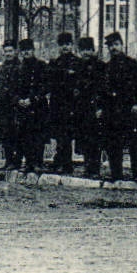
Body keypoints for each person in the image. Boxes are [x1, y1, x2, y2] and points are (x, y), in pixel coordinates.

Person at [100, 31, 137, 182]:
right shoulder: (106, 67)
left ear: (122, 45)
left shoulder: (132, 64)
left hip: (130, 111)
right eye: (111, 46)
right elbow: (102, 90)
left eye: (116, 45)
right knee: (114, 145)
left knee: (135, 145)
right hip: (113, 112)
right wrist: (101, 107)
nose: (114, 48)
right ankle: (117, 175)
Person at [12, 37, 51, 173]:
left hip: (38, 107)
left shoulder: (41, 66)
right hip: (23, 108)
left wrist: (32, 99)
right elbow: (14, 88)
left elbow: (46, 86)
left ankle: (38, 163)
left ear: (33, 50)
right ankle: (28, 163)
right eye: (23, 50)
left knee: (38, 136)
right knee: (25, 136)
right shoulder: (19, 69)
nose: (26, 52)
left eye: (28, 50)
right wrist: (18, 100)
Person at [69, 36, 105, 177]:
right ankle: (87, 166)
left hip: (95, 107)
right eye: (83, 50)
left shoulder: (100, 66)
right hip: (81, 109)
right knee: (83, 139)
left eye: (88, 50)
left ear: (93, 50)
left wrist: (100, 106)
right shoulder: (77, 66)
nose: (85, 53)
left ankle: (95, 168)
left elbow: (103, 88)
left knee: (95, 139)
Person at [47, 32, 79, 173]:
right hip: (57, 103)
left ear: (72, 45)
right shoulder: (54, 63)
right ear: (59, 46)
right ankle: (61, 160)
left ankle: (66, 162)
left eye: (68, 44)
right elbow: (50, 81)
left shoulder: (77, 62)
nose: (65, 47)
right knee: (59, 134)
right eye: (62, 45)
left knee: (68, 134)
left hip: (72, 104)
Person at [0, 40, 22, 172]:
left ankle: (17, 161)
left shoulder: (20, 67)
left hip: (14, 107)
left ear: (16, 52)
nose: (8, 54)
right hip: (2, 107)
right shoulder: (0, 69)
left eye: (10, 51)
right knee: (4, 135)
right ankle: (8, 160)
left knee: (16, 134)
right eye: (6, 51)